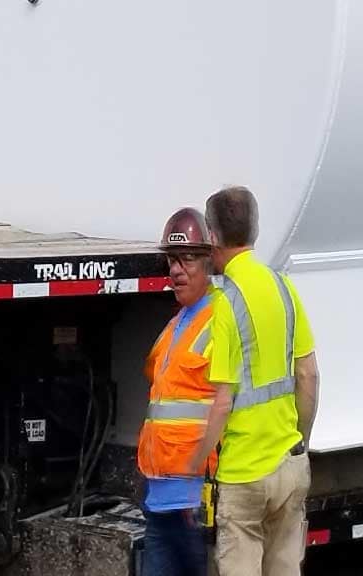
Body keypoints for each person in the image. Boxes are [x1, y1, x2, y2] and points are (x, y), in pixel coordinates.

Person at [187, 186, 320, 576]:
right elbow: (308, 376)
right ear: (255, 231)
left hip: (244, 475)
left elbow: (223, 401)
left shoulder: (225, 299)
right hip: (289, 466)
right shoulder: (284, 287)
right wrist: (301, 442)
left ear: (212, 237)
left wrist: (195, 467)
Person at [137, 208, 220, 576]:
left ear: (208, 263)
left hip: (194, 505)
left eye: (187, 260)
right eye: (172, 260)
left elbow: (228, 409)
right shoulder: (175, 325)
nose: (175, 270)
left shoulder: (219, 323)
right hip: (159, 502)